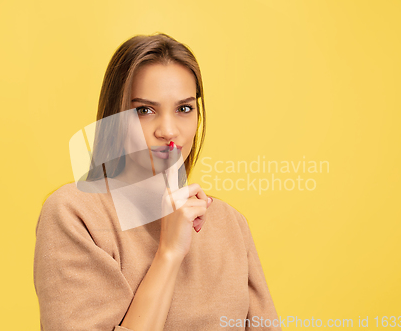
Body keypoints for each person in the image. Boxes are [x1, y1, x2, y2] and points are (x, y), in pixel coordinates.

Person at [33, 32, 281, 331]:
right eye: (145, 110)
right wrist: (169, 254)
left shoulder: (229, 223)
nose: (168, 130)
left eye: (184, 109)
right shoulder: (76, 213)